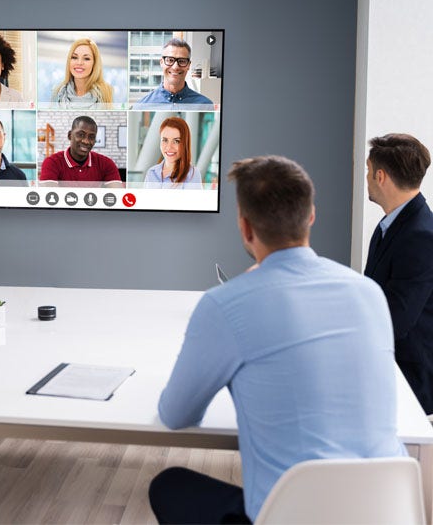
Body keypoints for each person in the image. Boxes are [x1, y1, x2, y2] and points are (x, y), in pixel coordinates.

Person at [149, 155, 406, 524]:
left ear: (245, 228)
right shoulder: (368, 293)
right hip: (386, 511)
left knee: (169, 485)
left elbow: (175, 414)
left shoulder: (226, 303)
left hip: (292, 516)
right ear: (311, 216)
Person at [364, 133, 433, 413]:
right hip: (389, 372)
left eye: (367, 172)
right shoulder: (390, 225)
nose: (365, 178)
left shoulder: (421, 235)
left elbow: (396, 319)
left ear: (380, 176)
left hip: (410, 383)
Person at [39, 115, 122, 187]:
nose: (86, 141)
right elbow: (49, 198)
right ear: (70, 135)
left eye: (91, 137)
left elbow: (118, 197)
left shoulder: (106, 164)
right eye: (81, 135)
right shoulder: (52, 162)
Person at [134, 38, 213, 109]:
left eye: (181, 61)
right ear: (161, 63)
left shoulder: (205, 106)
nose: (175, 67)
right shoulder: (141, 106)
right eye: (170, 60)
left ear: (189, 65)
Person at [51, 38, 114, 108]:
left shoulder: (106, 92)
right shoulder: (58, 92)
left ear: (94, 63)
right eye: (74, 57)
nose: (79, 63)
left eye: (86, 58)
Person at [144, 117, 202, 189]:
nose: (169, 147)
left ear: (185, 143)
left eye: (176, 141)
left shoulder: (192, 174)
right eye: (165, 140)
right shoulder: (151, 173)